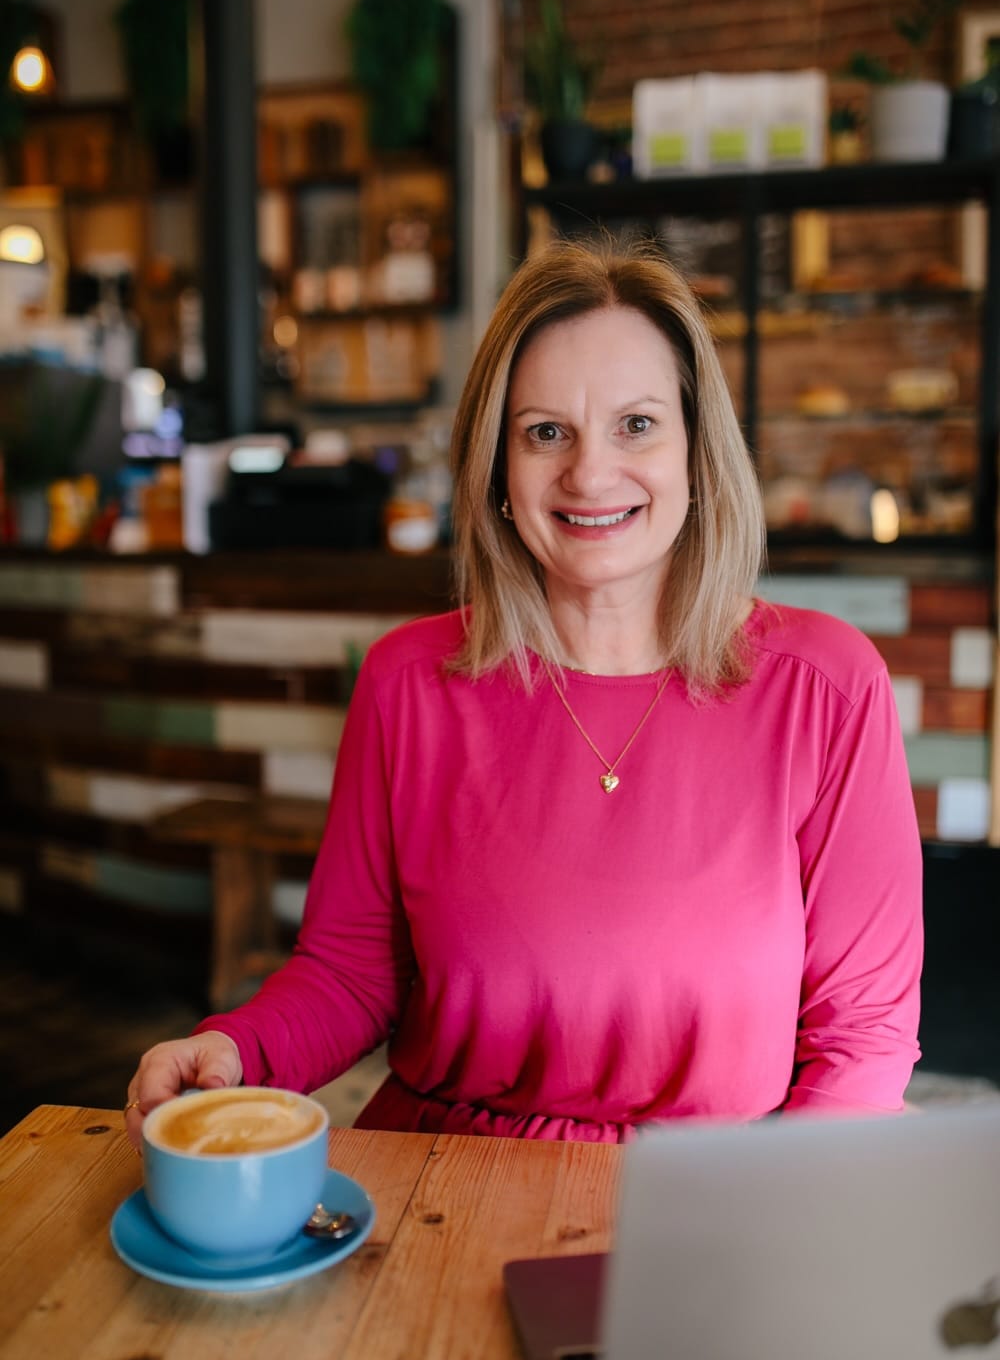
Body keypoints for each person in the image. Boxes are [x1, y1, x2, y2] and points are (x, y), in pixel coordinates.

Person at [125, 240, 922, 1148]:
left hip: (714, 1200)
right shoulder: (407, 684)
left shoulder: (827, 688)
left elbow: (862, 1036)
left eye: (636, 424)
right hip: (440, 1179)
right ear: (498, 466)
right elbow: (351, 972)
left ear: (698, 450)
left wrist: (777, 1234)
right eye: (547, 431)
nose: (589, 474)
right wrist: (234, 1048)